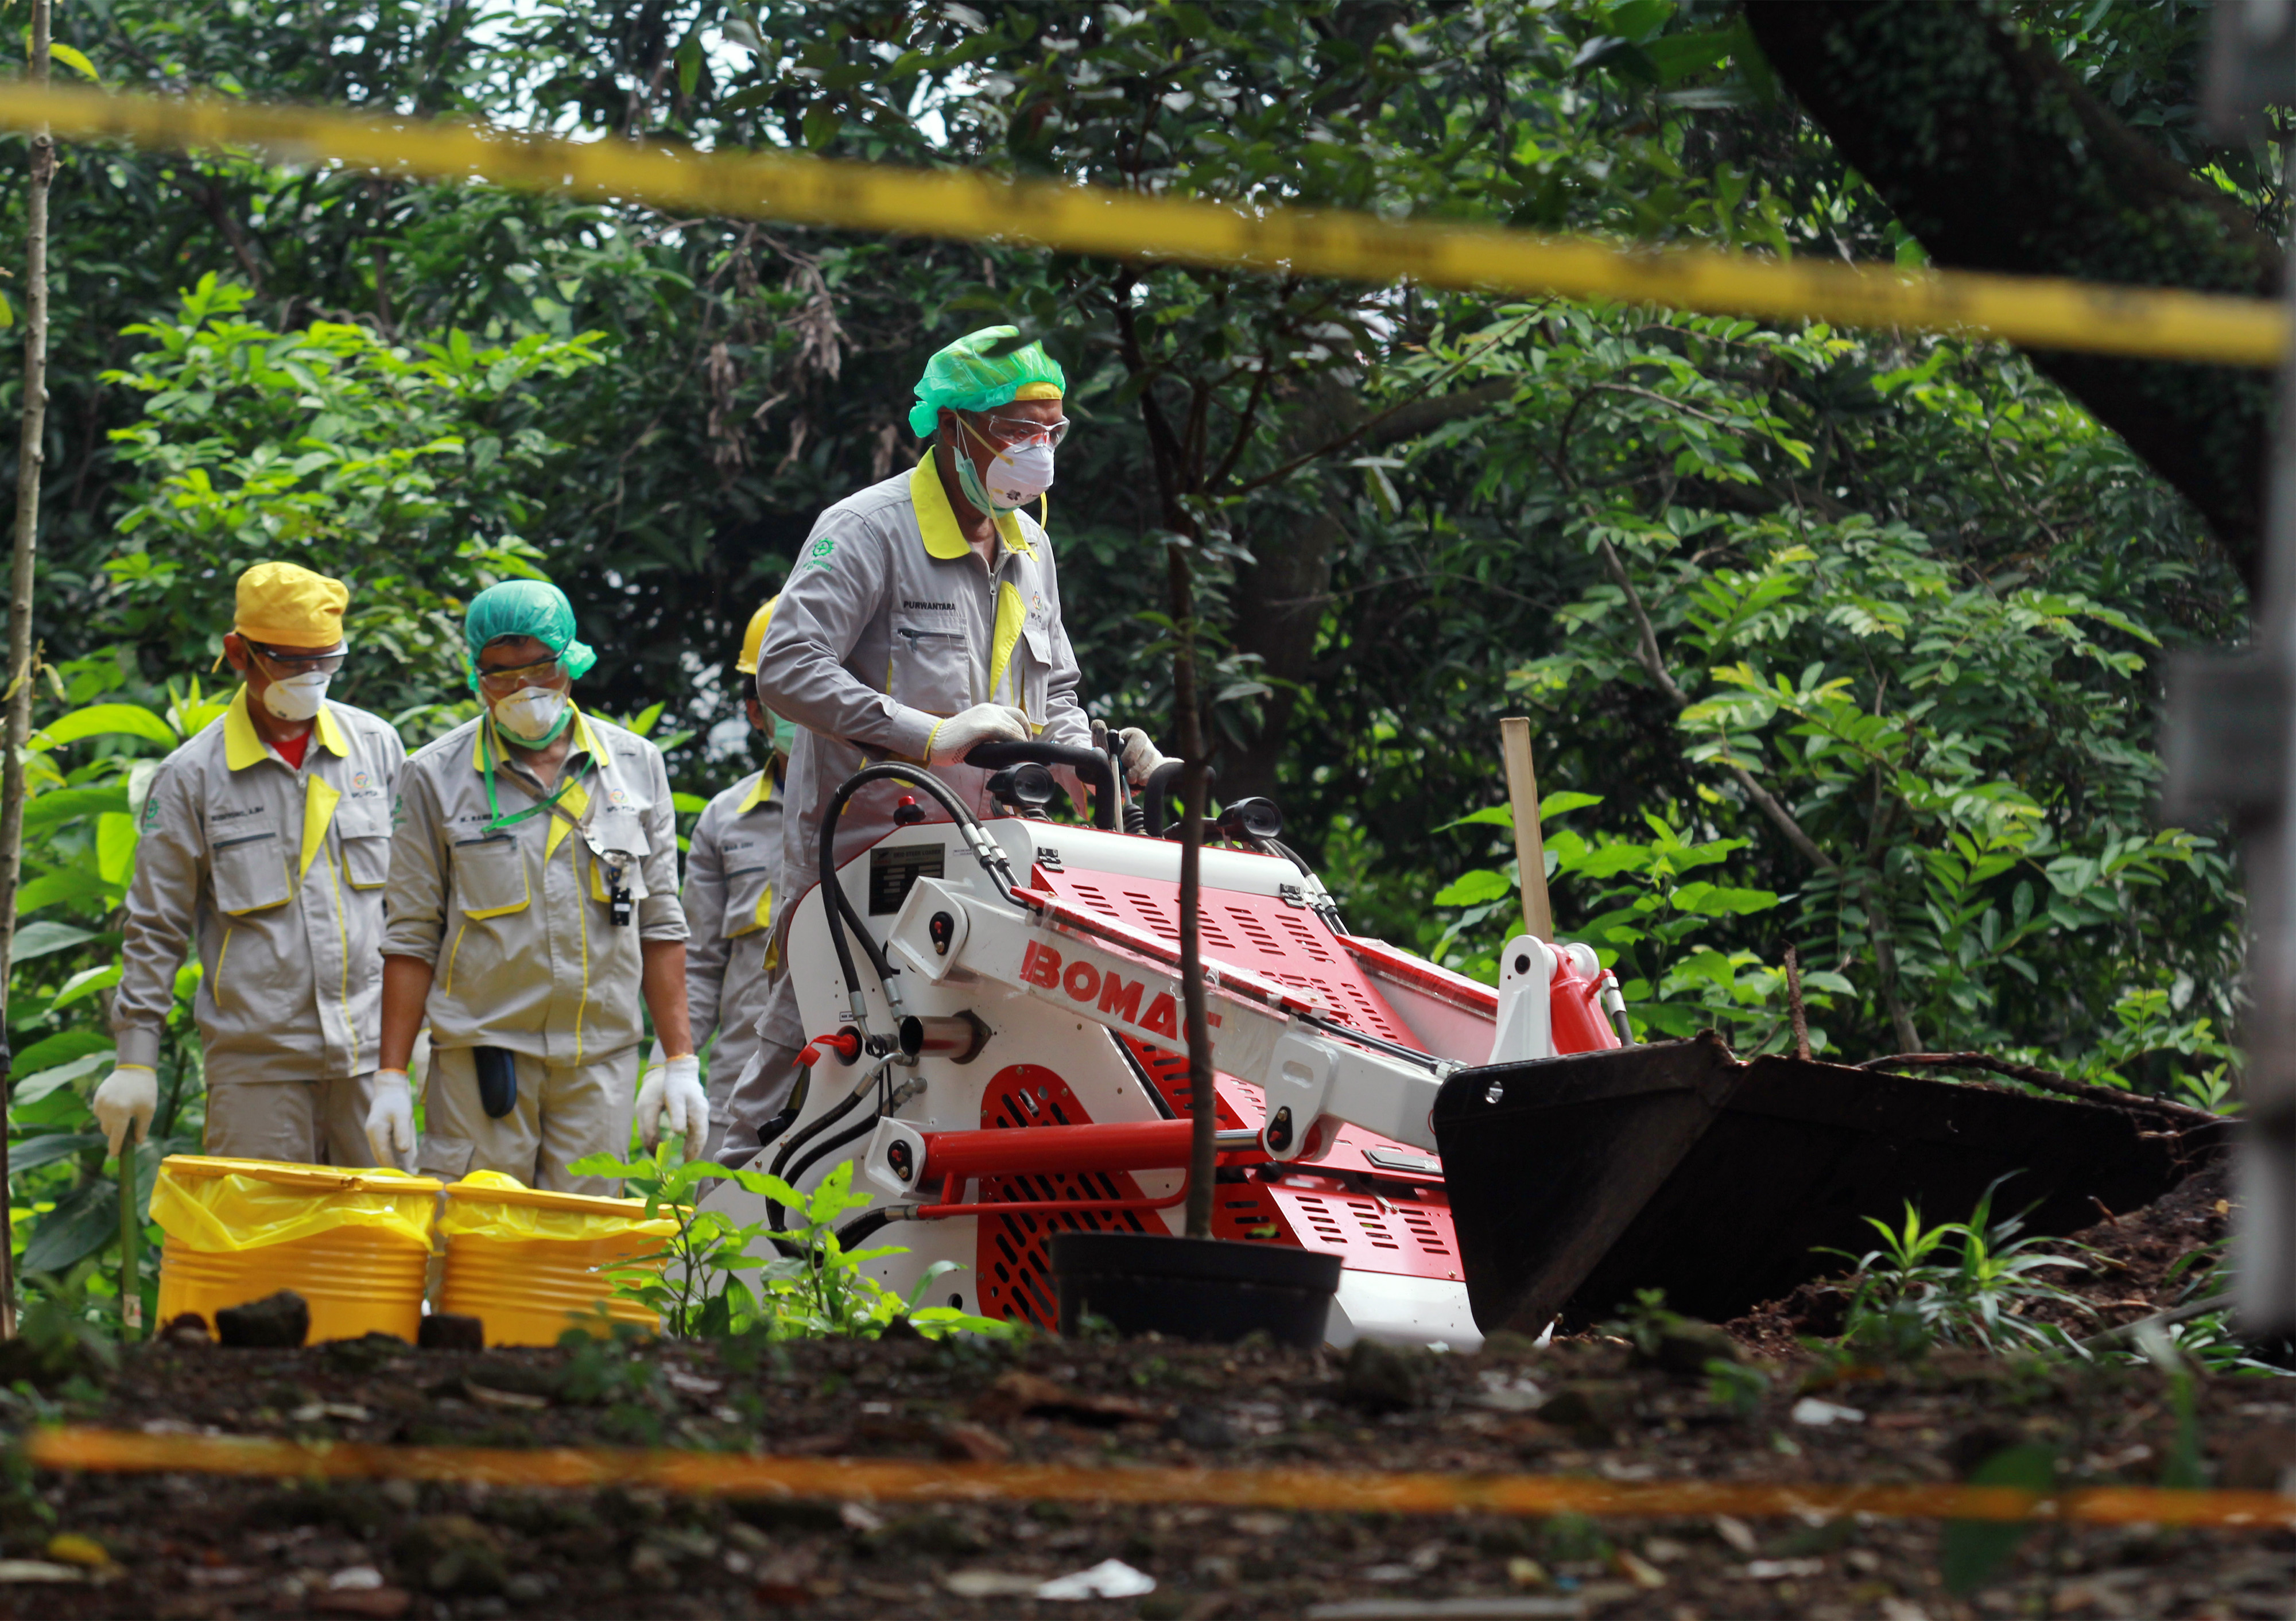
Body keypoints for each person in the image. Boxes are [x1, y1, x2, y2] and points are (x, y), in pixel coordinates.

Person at [750, 324, 1166, 1060]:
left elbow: (1055, 693)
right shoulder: (866, 530)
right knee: (810, 1068)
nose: (1037, 449)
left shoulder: (1030, 547)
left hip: (988, 868)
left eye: (1051, 431)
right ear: (952, 427)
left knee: (950, 1073)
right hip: (860, 867)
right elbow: (787, 667)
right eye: (1016, 430)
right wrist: (924, 734)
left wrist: (1095, 758)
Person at [369, 579, 702, 1193]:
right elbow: (411, 934)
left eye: (540, 668)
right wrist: (391, 1074)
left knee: (581, 1263)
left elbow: (659, 924)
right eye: (501, 675)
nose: (523, 690)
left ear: (571, 661)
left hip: (598, 1065)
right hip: (482, 1063)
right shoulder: (434, 777)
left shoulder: (633, 766)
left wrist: (678, 1059)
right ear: (476, 676)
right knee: (477, 1255)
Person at [99, 561, 408, 1168]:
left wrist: (423, 1039)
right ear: (238, 653)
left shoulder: (376, 747)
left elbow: (416, 906)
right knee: (265, 1251)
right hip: (256, 1069)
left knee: (383, 1252)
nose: (312, 677)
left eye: (327, 661)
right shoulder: (192, 776)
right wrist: (136, 1056)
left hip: (371, 1061)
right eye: (292, 662)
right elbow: (155, 925)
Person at [668, 595, 799, 1168]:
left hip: (858, 1077)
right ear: (755, 711)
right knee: (726, 1241)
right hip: (740, 1082)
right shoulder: (726, 818)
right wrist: (674, 1064)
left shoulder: (892, 807)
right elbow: (698, 960)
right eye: (784, 697)